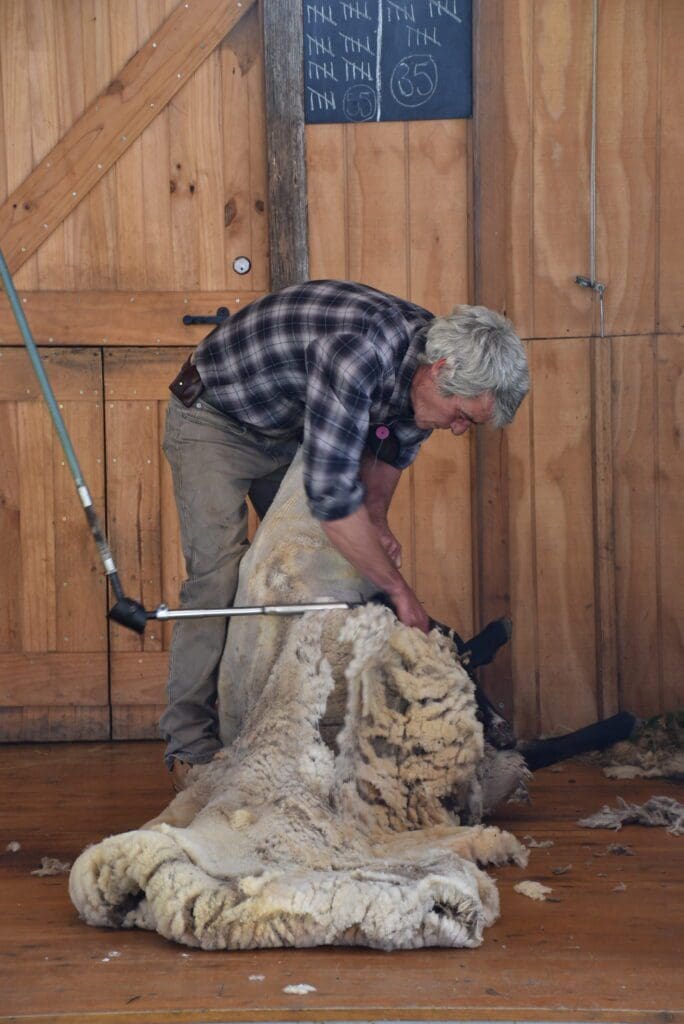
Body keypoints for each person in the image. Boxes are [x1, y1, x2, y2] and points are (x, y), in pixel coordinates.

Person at [159, 279, 529, 788]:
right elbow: (333, 503)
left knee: (324, 571)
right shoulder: (359, 352)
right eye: (463, 417)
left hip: (291, 428)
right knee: (219, 579)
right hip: (215, 418)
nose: (460, 430)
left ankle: (298, 729)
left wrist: (376, 523)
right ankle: (190, 745)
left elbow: (392, 448)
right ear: (440, 373)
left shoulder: (432, 365)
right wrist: (400, 591)